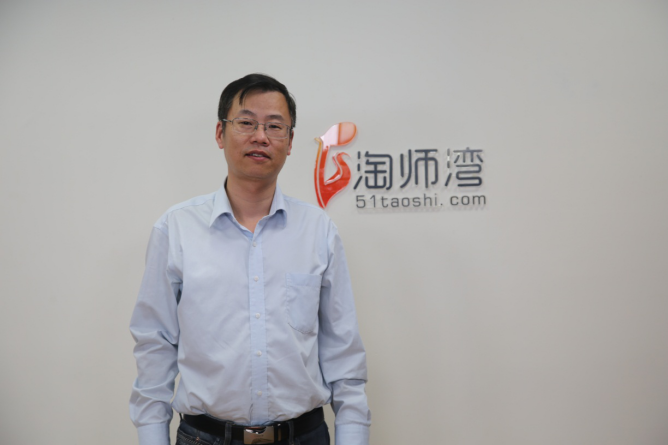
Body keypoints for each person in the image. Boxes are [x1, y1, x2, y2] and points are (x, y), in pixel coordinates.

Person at [129, 73, 370, 445]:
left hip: (304, 436)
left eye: (275, 126)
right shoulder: (176, 229)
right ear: (220, 133)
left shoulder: (318, 230)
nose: (261, 136)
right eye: (246, 123)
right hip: (205, 437)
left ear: (290, 142)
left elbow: (343, 351)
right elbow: (154, 346)